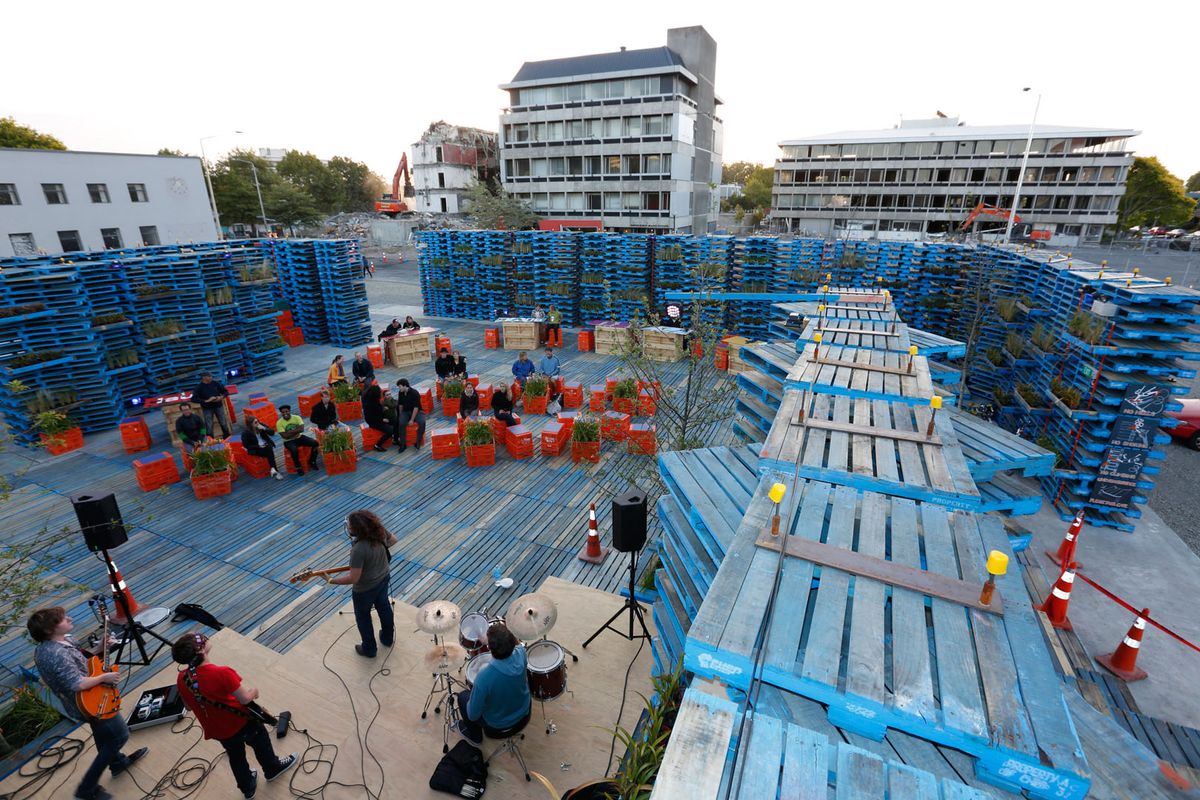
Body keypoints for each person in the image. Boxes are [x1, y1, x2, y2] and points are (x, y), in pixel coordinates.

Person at [28, 607, 149, 800]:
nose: (69, 618)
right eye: (62, 619)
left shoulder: (58, 643)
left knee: (104, 734)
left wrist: (99, 649)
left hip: (88, 697)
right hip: (88, 700)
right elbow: (77, 683)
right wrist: (104, 677)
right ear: (49, 630)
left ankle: (117, 762)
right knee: (119, 736)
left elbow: (79, 663)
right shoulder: (55, 654)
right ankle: (86, 789)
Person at [172, 633, 297, 799]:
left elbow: (187, 706)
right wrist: (255, 691)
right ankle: (272, 769)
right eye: (203, 638)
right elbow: (245, 699)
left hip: (218, 730)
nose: (206, 638)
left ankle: (247, 787)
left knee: (236, 757)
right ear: (201, 650)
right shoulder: (222, 672)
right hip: (242, 722)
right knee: (261, 743)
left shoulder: (182, 678)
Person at [323, 510, 397, 658]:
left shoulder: (358, 550)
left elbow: (354, 578)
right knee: (384, 606)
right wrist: (377, 554)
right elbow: (394, 539)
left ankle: (369, 649)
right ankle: (387, 638)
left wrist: (331, 580)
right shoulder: (380, 531)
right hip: (383, 578)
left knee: (363, 617)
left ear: (355, 530)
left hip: (365, 590)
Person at [454, 624, 530, 747]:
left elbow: (473, 715)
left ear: (490, 648)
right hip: (524, 709)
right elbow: (516, 644)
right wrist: (489, 640)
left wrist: (475, 698)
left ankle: (475, 737)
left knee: (463, 697)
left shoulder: (484, 677)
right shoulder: (521, 653)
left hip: (499, 723)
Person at [275, 405, 319, 475]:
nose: (285, 413)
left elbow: (301, 429)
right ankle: (298, 467)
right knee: (294, 450)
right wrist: (296, 430)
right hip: (288, 441)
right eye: (283, 412)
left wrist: (289, 432)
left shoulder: (297, 417)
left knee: (315, 443)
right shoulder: (279, 423)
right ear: (281, 413)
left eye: (286, 411)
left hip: (299, 437)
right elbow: (285, 436)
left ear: (289, 411)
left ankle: (312, 461)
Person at [240, 413, 283, 480]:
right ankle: (274, 470)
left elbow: (272, 433)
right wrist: (258, 446)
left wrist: (264, 428)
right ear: (250, 424)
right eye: (255, 422)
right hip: (256, 448)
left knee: (269, 448)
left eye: (257, 421)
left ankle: (273, 469)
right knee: (269, 451)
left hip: (266, 445)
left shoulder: (260, 426)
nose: (257, 423)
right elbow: (247, 445)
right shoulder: (246, 433)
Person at [193, 373, 232, 439]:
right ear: (204, 377)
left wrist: (221, 397)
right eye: (209, 376)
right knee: (209, 425)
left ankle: (227, 437)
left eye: (211, 376)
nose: (211, 377)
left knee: (223, 422)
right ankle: (211, 440)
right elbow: (194, 398)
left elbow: (226, 392)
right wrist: (206, 401)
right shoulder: (199, 387)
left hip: (218, 406)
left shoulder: (216, 383)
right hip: (207, 409)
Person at [362, 384, 397, 451]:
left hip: (379, 417)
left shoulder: (373, 400)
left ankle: (395, 439)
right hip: (374, 421)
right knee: (390, 430)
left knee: (394, 420)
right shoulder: (369, 404)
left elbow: (378, 409)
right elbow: (370, 417)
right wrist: (382, 419)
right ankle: (378, 445)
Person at [394, 379, 426, 452]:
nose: (399, 388)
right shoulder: (401, 393)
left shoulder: (414, 393)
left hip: (417, 411)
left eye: (400, 386)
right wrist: (400, 415)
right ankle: (403, 444)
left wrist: (412, 419)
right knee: (401, 423)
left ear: (405, 386)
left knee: (422, 422)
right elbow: (400, 405)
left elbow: (416, 407)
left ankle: (418, 442)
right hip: (406, 411)